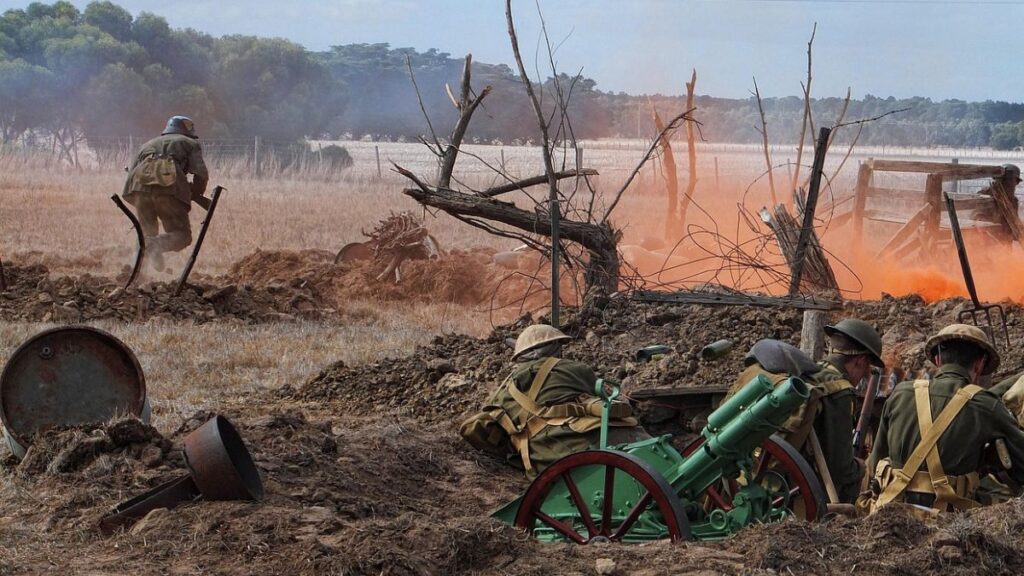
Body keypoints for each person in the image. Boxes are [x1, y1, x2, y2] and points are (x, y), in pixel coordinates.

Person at [864, 324, 1024, 516]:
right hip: (948, 516)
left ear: (938, 360)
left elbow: (876, 461)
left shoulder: (900, 393)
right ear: (980, 364)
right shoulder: (986, 404)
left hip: (891, 510)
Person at [726, 318, 883, 504]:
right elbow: (839, 468)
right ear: (861, 360)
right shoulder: (840, 391)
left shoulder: (807, 372)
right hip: (791, 492)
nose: (864, 374)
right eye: (867, 367)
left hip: (748, 469)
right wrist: (860, 467)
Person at [459, 324, 646, 477]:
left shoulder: (506, 387)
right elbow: (606, 396)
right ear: (555, 348)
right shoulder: (574, 369)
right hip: (595, 446)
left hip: (550, 456)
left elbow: (488, 421)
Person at [122, 116, 210, 272]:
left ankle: (137, 271)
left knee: (146, 232)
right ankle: (154, 245)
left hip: (139, 191)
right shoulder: (190, 143)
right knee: (182, 236)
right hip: (169, 192)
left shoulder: (147, 144)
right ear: (188, 132)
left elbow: (132, 173)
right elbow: (201, 175)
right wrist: (195, 193)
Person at [972, 164, 1021, 244]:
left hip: (1005, 243)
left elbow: (1015, 222)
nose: (1009, 184)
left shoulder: (1013, 201)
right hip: (987, 242)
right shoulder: (986, 195)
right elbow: (978, 217)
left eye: (1011, 181)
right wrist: (990, 228)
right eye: (1005, 180)